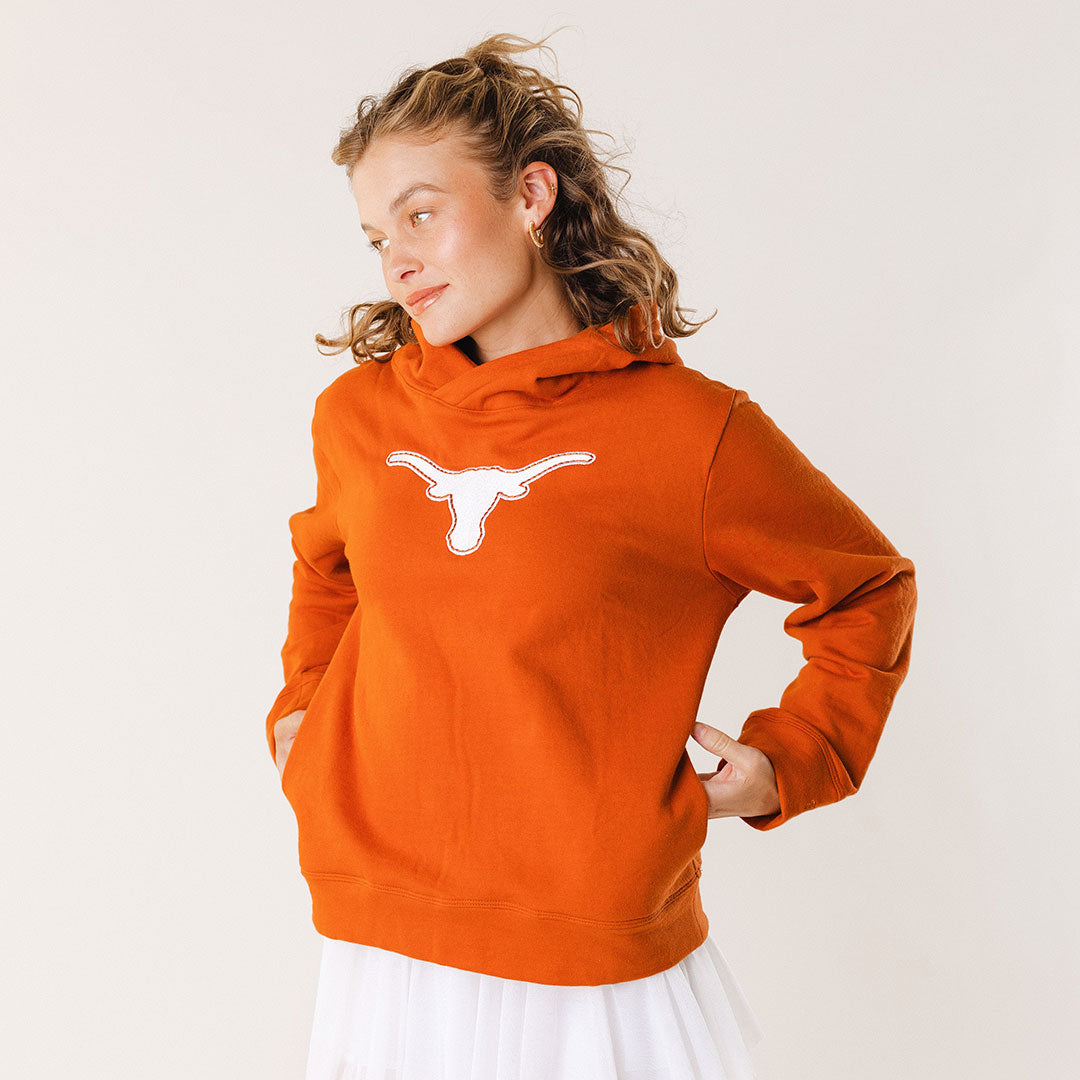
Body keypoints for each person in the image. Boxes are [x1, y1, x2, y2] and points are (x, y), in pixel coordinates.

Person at [265, 30, 918, 1080]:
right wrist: (301, 716)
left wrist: (793, 759)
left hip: (593, 965)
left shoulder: (691, 435)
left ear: (531, 195)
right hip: (380, 938)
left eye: (421, 213)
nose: (396, 259)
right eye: (377, 234)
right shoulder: (359, 417)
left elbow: (867, 588)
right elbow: (328, 571)